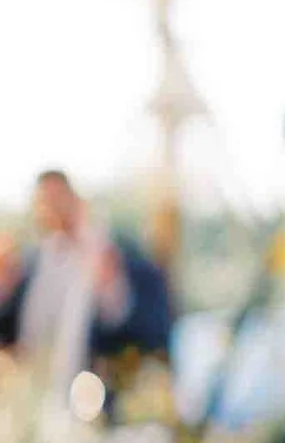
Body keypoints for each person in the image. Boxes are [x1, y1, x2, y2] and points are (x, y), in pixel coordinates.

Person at [0, 169, 174, 396]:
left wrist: (110, 286)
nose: (53, 209)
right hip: (33, 397)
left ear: (77, 200)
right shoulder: (32, 263)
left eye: (58, 199)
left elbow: (151, 332)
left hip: (97, 401)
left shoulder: (122, 256)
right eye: (44, 202)